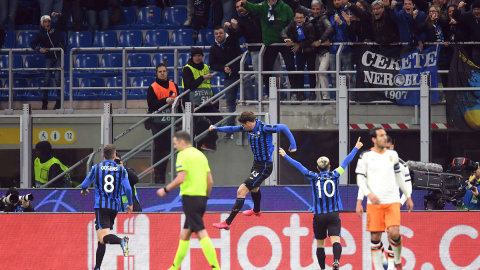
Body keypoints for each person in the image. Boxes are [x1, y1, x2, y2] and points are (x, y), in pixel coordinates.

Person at [279, 137, 363, 270]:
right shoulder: (336, 174)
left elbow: (298, 165)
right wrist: (356, 147)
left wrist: (285, 156)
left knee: (320, 244)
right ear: (329, 166)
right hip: (333, 214)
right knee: (336, 240)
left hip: (319, 215)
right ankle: (336, 261)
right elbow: (346, 161)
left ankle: (323, 268)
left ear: (317, 168)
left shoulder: (313, 176)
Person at [210, 110, 297, 230]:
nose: (242, 127)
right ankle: (256, 210)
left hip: (265, 166)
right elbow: (232, 129)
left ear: (249, 123)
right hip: (257, 164)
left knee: (241, 190)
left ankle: (227, 223)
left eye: (244, 124)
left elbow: (283, 127)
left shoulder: (265, 128)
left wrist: (293, 145)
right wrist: (216, 128)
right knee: (255, 188)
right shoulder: (246, 128)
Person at [157, 131, 220, 270]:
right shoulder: (200, 155)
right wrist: (205, 197)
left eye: (175, 144)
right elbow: (210, 181)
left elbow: (181, 178)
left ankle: (216, 267)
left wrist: (165, 190)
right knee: (185, 234)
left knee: (201, 232)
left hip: (190, 198)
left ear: (182, 142)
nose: (174, 147)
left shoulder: (183, 155)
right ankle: (174, 267)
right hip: (201, 198)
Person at [355, 127, 414, 270]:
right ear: (374, 139)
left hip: (392, 201)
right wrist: (361, 199)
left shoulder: (394, 156)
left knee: (393, 234)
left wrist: (407, 197)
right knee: (375, 238)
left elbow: (401, 178)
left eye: (385, 136)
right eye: (381, 136)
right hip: (374, 203)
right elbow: (361, 179)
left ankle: (397, 261)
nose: (384, 138)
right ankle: (381, 265)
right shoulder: (366, 156)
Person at [80, 144, 133, 270]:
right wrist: (130, 204)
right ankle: (97, 267)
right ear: (115, 156)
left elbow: (84, 184)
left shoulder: (96, 168)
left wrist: (83, 190)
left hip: (101, 206)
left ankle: (121, 241)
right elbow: (128, 188)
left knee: (103, 237)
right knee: (102, 238)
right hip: (114, 207)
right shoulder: (121, 170)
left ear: (103, 155)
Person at [240, 0, 296, 96]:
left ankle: (296, 93)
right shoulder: (262, 6)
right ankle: (269, 94)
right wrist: (245, 3)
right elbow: (252, 7)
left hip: (285, 43)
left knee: (291, 67)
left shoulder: (285, 7)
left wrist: (290, 39)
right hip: (269, 43)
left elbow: (293, 24)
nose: (271, 1)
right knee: (266, 69)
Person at [209, 25, 254, 136]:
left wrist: (231, 27)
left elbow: (235, 34)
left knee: (250, 101)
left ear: (224, 33)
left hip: (242, 74)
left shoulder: (232, 40)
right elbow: (213, 64)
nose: (218, 35)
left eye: (220, 33)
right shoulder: (213, 48)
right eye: (216, 34)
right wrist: (223, 68)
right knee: (229, 103)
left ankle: (253, 127)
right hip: (229, 77)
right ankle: (230, 131)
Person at [182, 47, 221, 151]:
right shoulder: (187, 69)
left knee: (218, 119)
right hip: (192, 103)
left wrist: (214, 101)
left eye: (199, 55)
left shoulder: (205, 67)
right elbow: (190, 85)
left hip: (206, 101)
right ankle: (194, 149)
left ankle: (209, 143)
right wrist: (202, 78)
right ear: (192, 57)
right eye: (195, 56)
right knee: (194, 127)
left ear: (202, 57)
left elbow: (208, 86)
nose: (197, 58)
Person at [147, 62, 180, 184]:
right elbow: (151, 105)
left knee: (176, 149)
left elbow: (179, 103)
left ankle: (178, 178)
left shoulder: (174, 85)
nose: (162, 73)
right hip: (158, 124)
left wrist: (180, 120)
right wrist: (165, 101)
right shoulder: (152, 87)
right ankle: (159, 177)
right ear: (156, 73)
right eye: (160, 71)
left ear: (167, 72)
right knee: (160, 151)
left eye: (164, 71)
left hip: (173, 122)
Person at [224, 0, 263, 92]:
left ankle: (278, 98)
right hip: (254, 49)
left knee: (274, 74)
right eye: (237, 7)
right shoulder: (236, 19)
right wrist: (232, 28)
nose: (239, 8)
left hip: (269, 47)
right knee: (258, 76)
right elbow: (237, 36)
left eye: (241, 6)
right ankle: (259, 100)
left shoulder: (256, 12)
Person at [30, 14, 66, 110]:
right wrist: (39, 49)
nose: (47, 23)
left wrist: (58, 14)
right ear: (42, 24)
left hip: (59, 56)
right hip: (49, 58)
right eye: (45, 22)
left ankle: (59, 102)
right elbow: (32, 43)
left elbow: (62, 20)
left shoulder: (55, 28)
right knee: (46, 80)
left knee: (58, 80)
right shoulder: (40, 34)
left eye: (49, 21)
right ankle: (44, 102)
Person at [281, 9, 316, 101]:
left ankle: (313, 93)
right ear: (294, 18)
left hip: (310, 51)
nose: (299, 19)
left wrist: (300, 45)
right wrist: (286, 39)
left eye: (301, 18)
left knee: (311, 72)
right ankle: (300, 93)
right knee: (300, 72)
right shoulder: (292, 24)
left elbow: (312, 39)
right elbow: (284, 31)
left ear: (304, 18)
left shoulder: (310, 25)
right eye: (297, 18)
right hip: (300, 52)